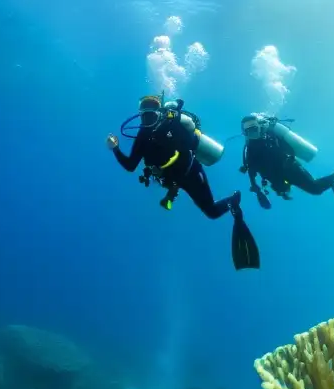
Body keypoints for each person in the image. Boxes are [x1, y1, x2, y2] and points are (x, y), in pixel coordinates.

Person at [108, 95, 259, 269]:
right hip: (170, 179)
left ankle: (233, 201)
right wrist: (116, 149)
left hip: (190, 174)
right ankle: (178, 191)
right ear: (140, 116)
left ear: (160, 114)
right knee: (210, 213)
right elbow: (130, 165)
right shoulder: (143, 136)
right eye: (145, 116)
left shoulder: (172, 125)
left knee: (212, 212)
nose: (148, 120)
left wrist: (174, 187)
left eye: (152, 115)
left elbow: (189, 150)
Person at [239, 112, 334, 229]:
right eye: (248, 132)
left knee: (316, 189)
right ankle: (329, 180)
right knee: (282, 188)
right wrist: (258, 191)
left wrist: (288, 160)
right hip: (278, 178)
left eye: (254, 129)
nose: (253, 133)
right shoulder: (249, 151)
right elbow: (251, 171)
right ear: (244, 133)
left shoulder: (271, 137)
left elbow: (289, 149)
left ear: (260, 127)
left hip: (291, 170)